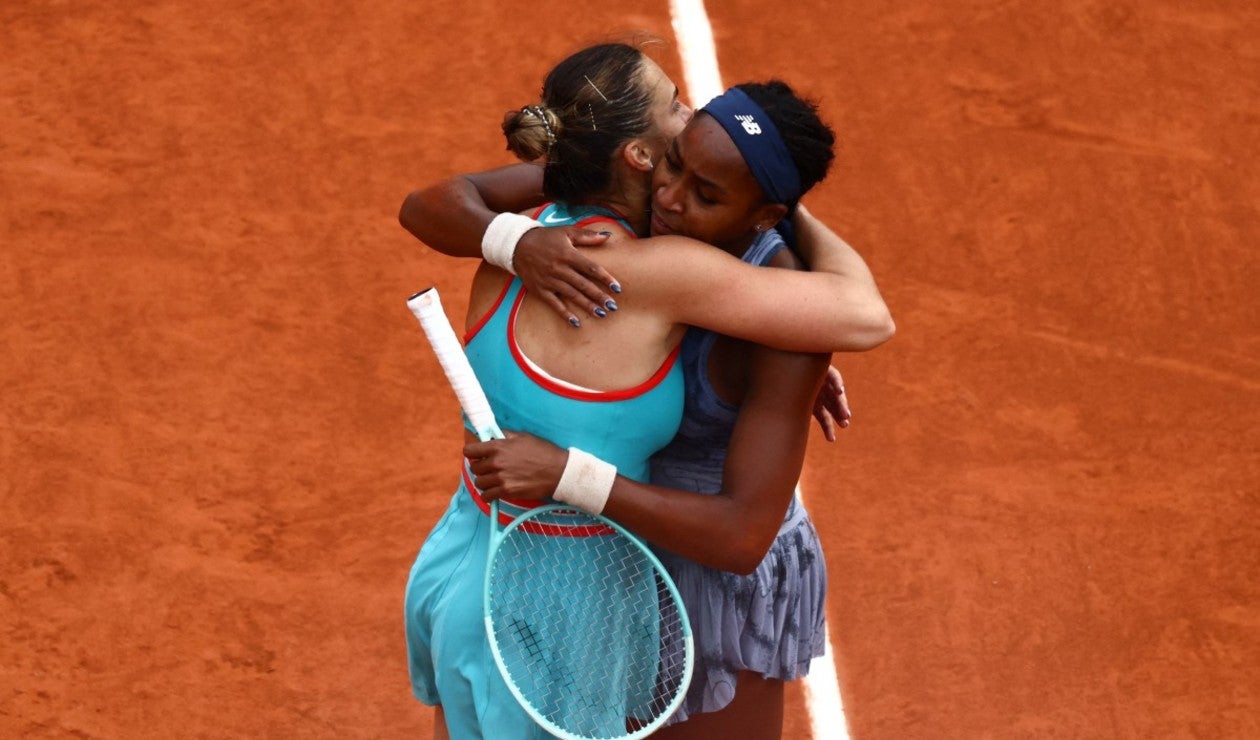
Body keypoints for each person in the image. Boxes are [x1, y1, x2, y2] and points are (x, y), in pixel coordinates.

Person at [400, 42, 893, 740]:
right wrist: (510, 240)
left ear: (760, 214)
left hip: (663, 572)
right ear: (639, 152)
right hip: (595, 576)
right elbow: (864, 313)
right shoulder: (636, 251)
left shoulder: (734, 292)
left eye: (708, 191)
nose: (670, 195)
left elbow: (744, 529)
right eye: (676, 144)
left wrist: (781, 303)